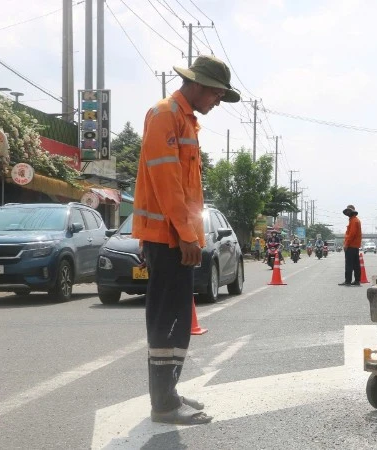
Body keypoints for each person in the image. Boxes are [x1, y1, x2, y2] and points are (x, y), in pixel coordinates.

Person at [132, 54, 240, 425]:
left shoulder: (187, 121)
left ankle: (169, 394)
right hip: (168, 238)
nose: (217, 102)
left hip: (174, 237)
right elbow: (167, 184)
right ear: (198, 85)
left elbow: (186, 189)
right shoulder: (166, 115)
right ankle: (163, 405)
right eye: (216, 95)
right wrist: (186, 234)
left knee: (176, 317)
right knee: (168, 321)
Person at [339, 205, 363, 286]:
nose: (348, 213)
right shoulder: (356, 220)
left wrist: (346, 244)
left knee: (349, 264)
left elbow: (351, 234)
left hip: (351, 246)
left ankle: (348, 281)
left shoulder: (354, 221)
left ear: (352, 212)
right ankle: (357, 281)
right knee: (356, 264)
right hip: (355, 246)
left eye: (349, 212)